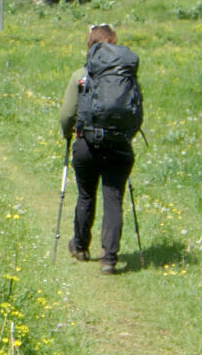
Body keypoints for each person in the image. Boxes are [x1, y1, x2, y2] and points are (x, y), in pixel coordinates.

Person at [58, 21, 141, 270]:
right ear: (114, 42)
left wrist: (67, 135)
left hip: (87, 142)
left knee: (86, 194)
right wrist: (126, 137)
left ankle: (81, 246)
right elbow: (136, 112)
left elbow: (66, 115)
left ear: (90, 44)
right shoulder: (125, 75)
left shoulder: (80, 75)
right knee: (113, 198)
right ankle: (109, 258)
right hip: (119, 143)